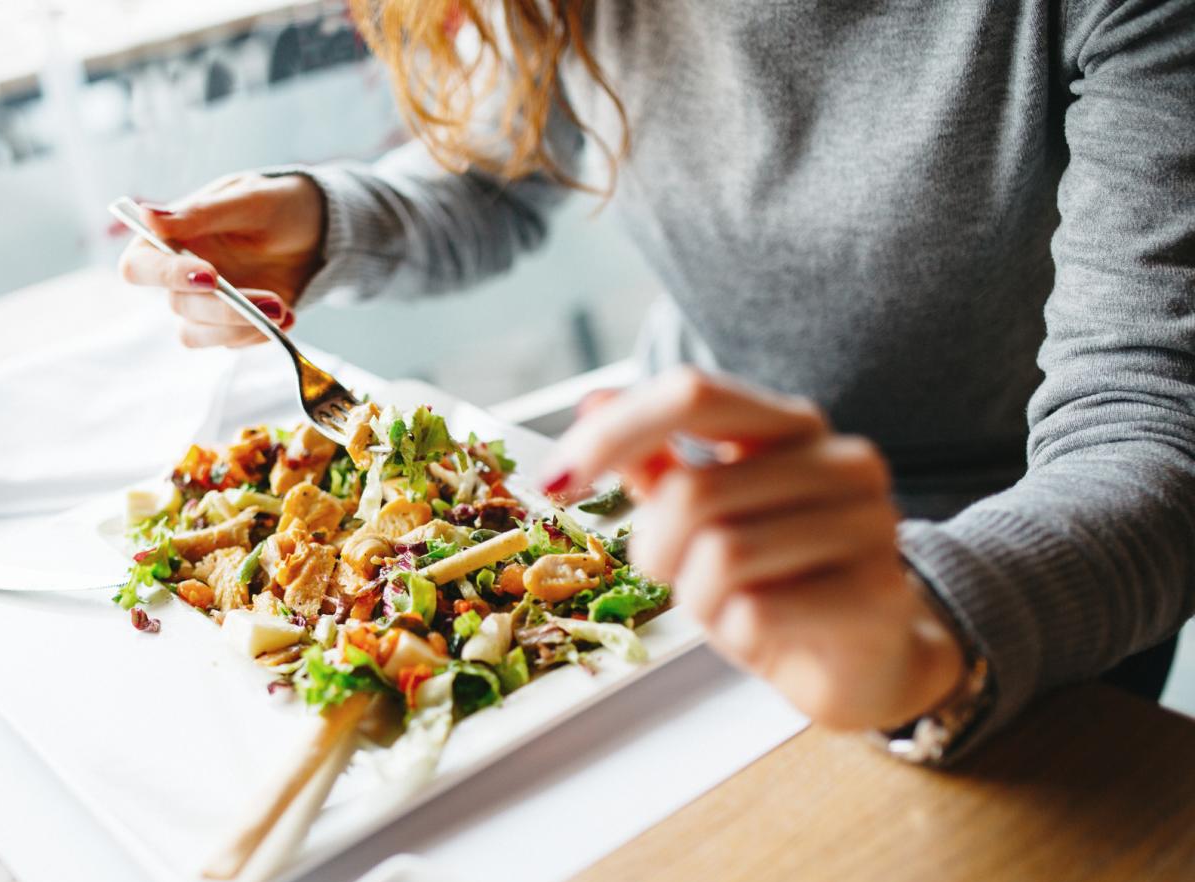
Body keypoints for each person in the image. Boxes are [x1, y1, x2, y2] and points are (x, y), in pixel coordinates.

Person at [121, 0, 1195, 762]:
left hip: (1009, 579)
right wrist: (325, 220)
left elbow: (1151, 432)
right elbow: (493, 173)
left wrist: (930, 622)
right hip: (661, 533)